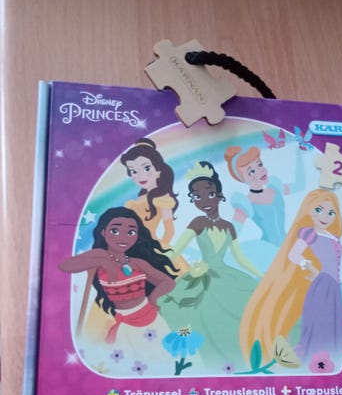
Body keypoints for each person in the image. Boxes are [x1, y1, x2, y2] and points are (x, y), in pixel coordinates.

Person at [161, 161, 262, 373]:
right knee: (200, 318)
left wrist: (259, 274)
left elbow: (240, 258)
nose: (204, 201)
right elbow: (176, 250)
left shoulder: (229, 226)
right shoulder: (198, 222)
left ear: (220, 195)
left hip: (227, 277)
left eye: (210, 194)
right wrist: (155, 259)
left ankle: (242, 359)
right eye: (197, 197)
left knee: (243, 313)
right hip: (202, 279)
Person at [239, 189, 342, 371]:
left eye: (331, 212)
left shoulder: (332, 236)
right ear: (308, 211)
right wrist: (309, 266)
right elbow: (294, 254)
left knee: (333, 324)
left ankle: (335, 359)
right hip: (321, 285)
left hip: (333, 287)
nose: (325, 216)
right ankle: (314, 361)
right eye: (318, 210)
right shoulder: (309, 233)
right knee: (318, 325)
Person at [60, 207, 178, 377]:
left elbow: (168, 282)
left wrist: (152, 299)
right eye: (115, 230)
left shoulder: (137, 263)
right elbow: (65, 266)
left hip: (151, 319)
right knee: (130, 367)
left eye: (131, 232)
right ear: (104, 232)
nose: (123, 237)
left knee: (161, 360)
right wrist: (104, 262)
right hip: (126, 324)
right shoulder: (98, 255)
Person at [224, 143, 305, 272]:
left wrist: (299, 155)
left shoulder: (276, 189)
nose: (260, 171)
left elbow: (300, 185)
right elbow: (233, 233)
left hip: (289, 245)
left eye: (260, 165)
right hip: (269, 252)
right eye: (251, 171)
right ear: (243, 179)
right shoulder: (246, 203)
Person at [121, 138, 179, 248]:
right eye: (134, 171)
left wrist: (158, 250)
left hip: (150, 247)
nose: (140, 176)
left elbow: (169, 231)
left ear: (158, 170)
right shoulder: (141, 197)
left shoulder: (163, 199)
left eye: (146, 168)